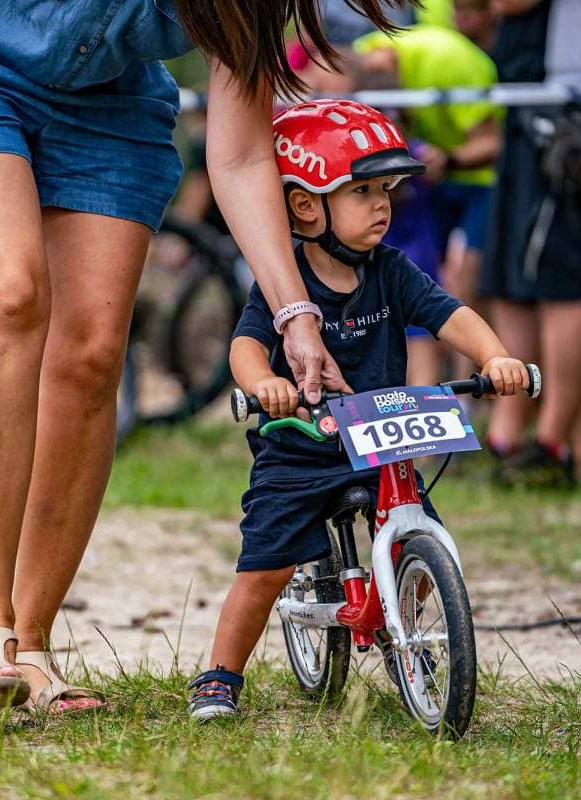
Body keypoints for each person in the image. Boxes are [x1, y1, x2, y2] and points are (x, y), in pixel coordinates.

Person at [0, 0, 413, 713]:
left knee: (93, 353)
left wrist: (295, 312)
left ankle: (31, 646)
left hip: (111, 103)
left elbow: (244, 155)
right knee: (8, 293)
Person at [187, 100, 529, 720]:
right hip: (302, 444)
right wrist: (265, 381)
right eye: (363, 190)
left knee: (425, 537)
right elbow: (244, 346)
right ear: (305, 204)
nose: (383, 205)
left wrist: (496, 355)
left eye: (387, 190)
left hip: (379, 441)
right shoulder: (282, 279)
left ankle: (416, 647)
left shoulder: (392, 272)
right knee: (267, 563)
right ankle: (220, 675)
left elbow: (450, 315)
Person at [354, 25, 502, 385]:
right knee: (417, 339)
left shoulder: (364, 163)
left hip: (393, 259)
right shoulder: (417, 154)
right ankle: (429, 413)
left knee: (402, 339)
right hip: (414, 258)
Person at [482, 0, 581, 486]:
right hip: (532, 105)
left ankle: (553, 441)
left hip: (565, 108)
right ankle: (512, 436)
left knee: (561, 280)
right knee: (510, 275)